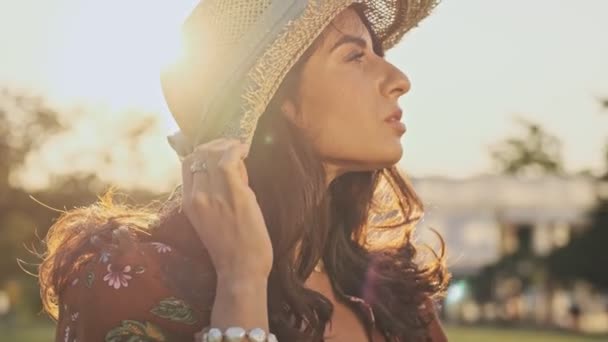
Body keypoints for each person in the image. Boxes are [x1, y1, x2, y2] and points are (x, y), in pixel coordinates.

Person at [39, 0, 450, 341]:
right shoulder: (129, 280)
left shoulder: (393, 291)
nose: (399, 80)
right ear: (274, 103)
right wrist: (241, 282)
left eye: (379, 54)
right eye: (355, 55)